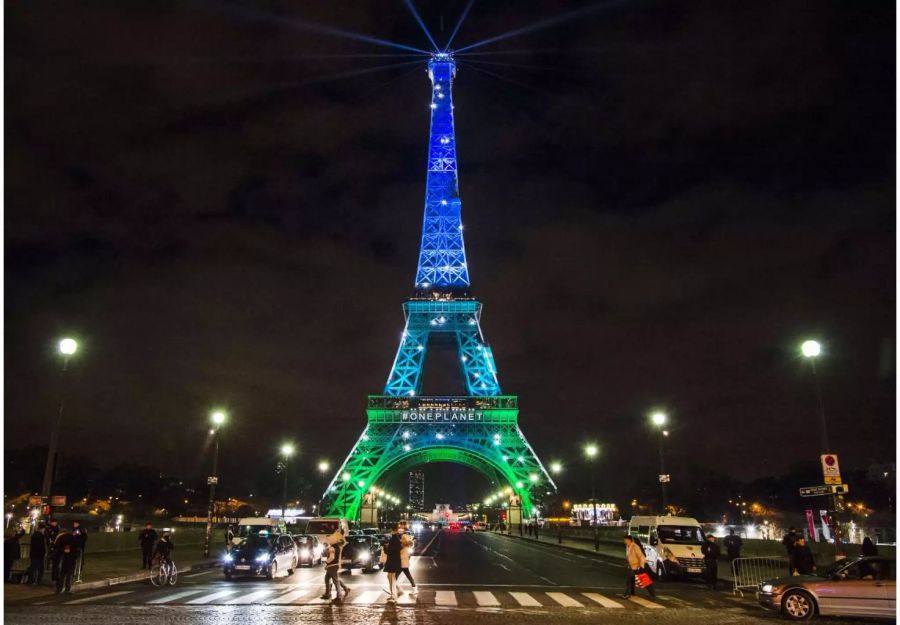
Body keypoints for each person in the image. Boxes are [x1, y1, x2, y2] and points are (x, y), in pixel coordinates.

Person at [621, 535, 655, 599]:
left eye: (625, 539)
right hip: (632, 566)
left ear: (629, 540)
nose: (624, 541)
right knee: (630, 580)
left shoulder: (635, 546)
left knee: (644, 580)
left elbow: (641, 556)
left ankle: (652, 593)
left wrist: (641, 566)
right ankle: (629, 593)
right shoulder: (628, 546)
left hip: (637, 566)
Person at [321, 531, 349, 602]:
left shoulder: (332, 548)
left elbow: (332, 558)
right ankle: (329, 593)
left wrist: (327, 562)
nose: (328, 541)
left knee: (335, 580)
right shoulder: (338, 547)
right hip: (334, 565)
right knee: (329, 578)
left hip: (332, 566)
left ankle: (338, 596)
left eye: (329, 540)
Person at [383, 523, 403, 602]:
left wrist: (385, 547)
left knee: (392, 579)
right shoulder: (396, 538)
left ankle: (393, 596)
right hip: (394, 561)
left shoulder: (394, 538)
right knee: (390, 577)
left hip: (392, 561)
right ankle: (393, 594)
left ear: (392, 529)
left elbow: (390, 551)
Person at [396, 531, 417, 596]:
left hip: (401, 564)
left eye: (402, 538)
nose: (400, 539)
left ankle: (399, 590)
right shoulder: (407, 546)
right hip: (404, 564)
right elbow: (409, 556)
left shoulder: (402, 546)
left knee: (394, 578)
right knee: (409, 576)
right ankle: (415, 589)